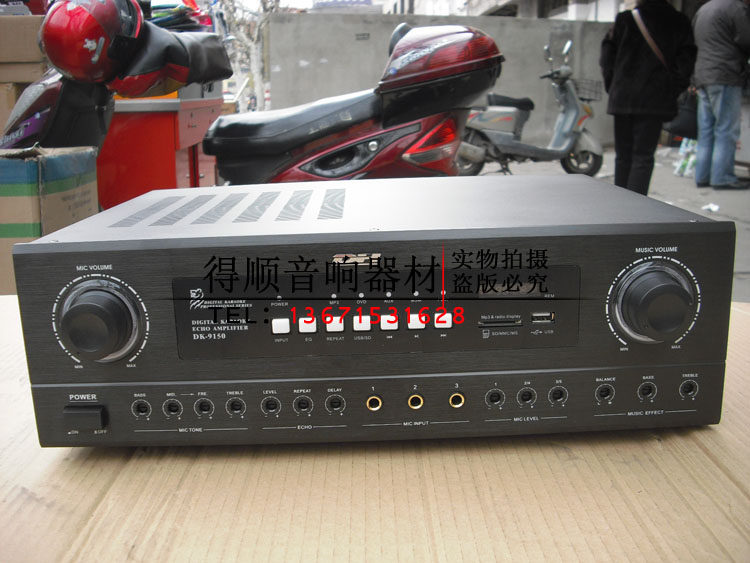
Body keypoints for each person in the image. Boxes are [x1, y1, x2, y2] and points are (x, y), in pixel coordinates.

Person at [600, 0, 696, 196]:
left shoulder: (625, 19)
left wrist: (614, 85)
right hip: (655, 98)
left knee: (623, 156)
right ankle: (636, 208)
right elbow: (686, 62)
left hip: (623, 97)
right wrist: (672, 89)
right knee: (643, 157)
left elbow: (607, 57)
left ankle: (618, 204)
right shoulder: (678, 22)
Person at [693, 0, 750, 190]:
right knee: (726, 129)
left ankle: (702, 176)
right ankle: (722, 177)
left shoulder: (704, 8)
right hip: (725, 74)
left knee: (706, 130)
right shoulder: (736, 8)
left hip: (703, 74)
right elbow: (746, 39)